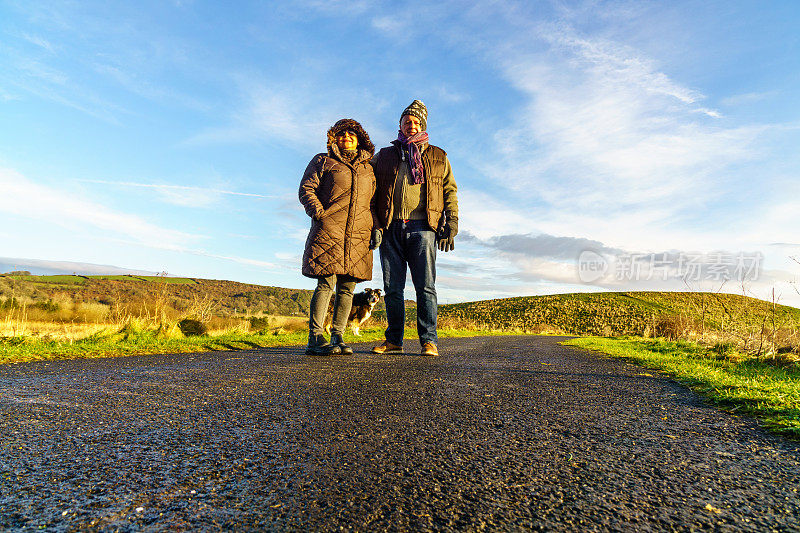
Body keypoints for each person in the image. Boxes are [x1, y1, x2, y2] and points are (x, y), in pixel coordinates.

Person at [370, 100, 458, 356]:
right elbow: (369, 189)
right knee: (392, 288)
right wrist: (374, 224)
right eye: (407, 121)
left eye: (416, 122)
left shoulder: (439, 156)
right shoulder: (384, 156)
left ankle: (428, 341)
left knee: (425, 287)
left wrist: (451, 221)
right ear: (400, 124)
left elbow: (450, 191)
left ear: (423, 125)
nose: (411, 125)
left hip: (424, 228)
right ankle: (394, 340)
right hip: (390, 227)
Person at [299, 118, 378, 355]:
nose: (346, 138)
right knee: (326, 283)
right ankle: (315, 337)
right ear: (334, 138)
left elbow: (373, 202)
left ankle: (338, 337)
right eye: (341, 135)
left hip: (359, 234)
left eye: (351, 135)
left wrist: (377, 228)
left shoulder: (369, 168)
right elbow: (306, 188)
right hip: (329, 229)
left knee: (347, 288)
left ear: (360, 139)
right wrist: (319, 213)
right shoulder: (323, 161)